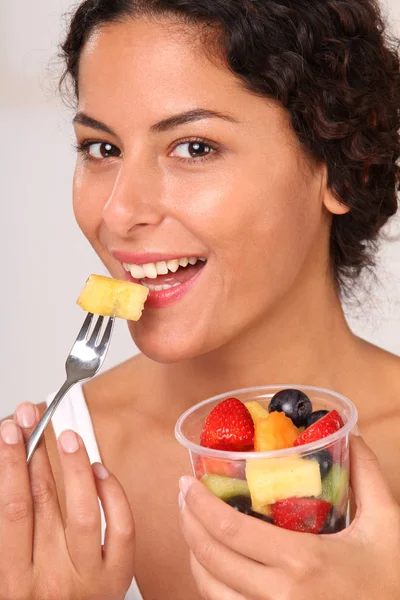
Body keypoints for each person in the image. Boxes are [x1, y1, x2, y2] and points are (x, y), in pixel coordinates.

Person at [2, 0, 400, 598]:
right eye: (102, 149)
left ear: (344, 172)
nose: (120, 213)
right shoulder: (35, 483)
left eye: (194, 148)